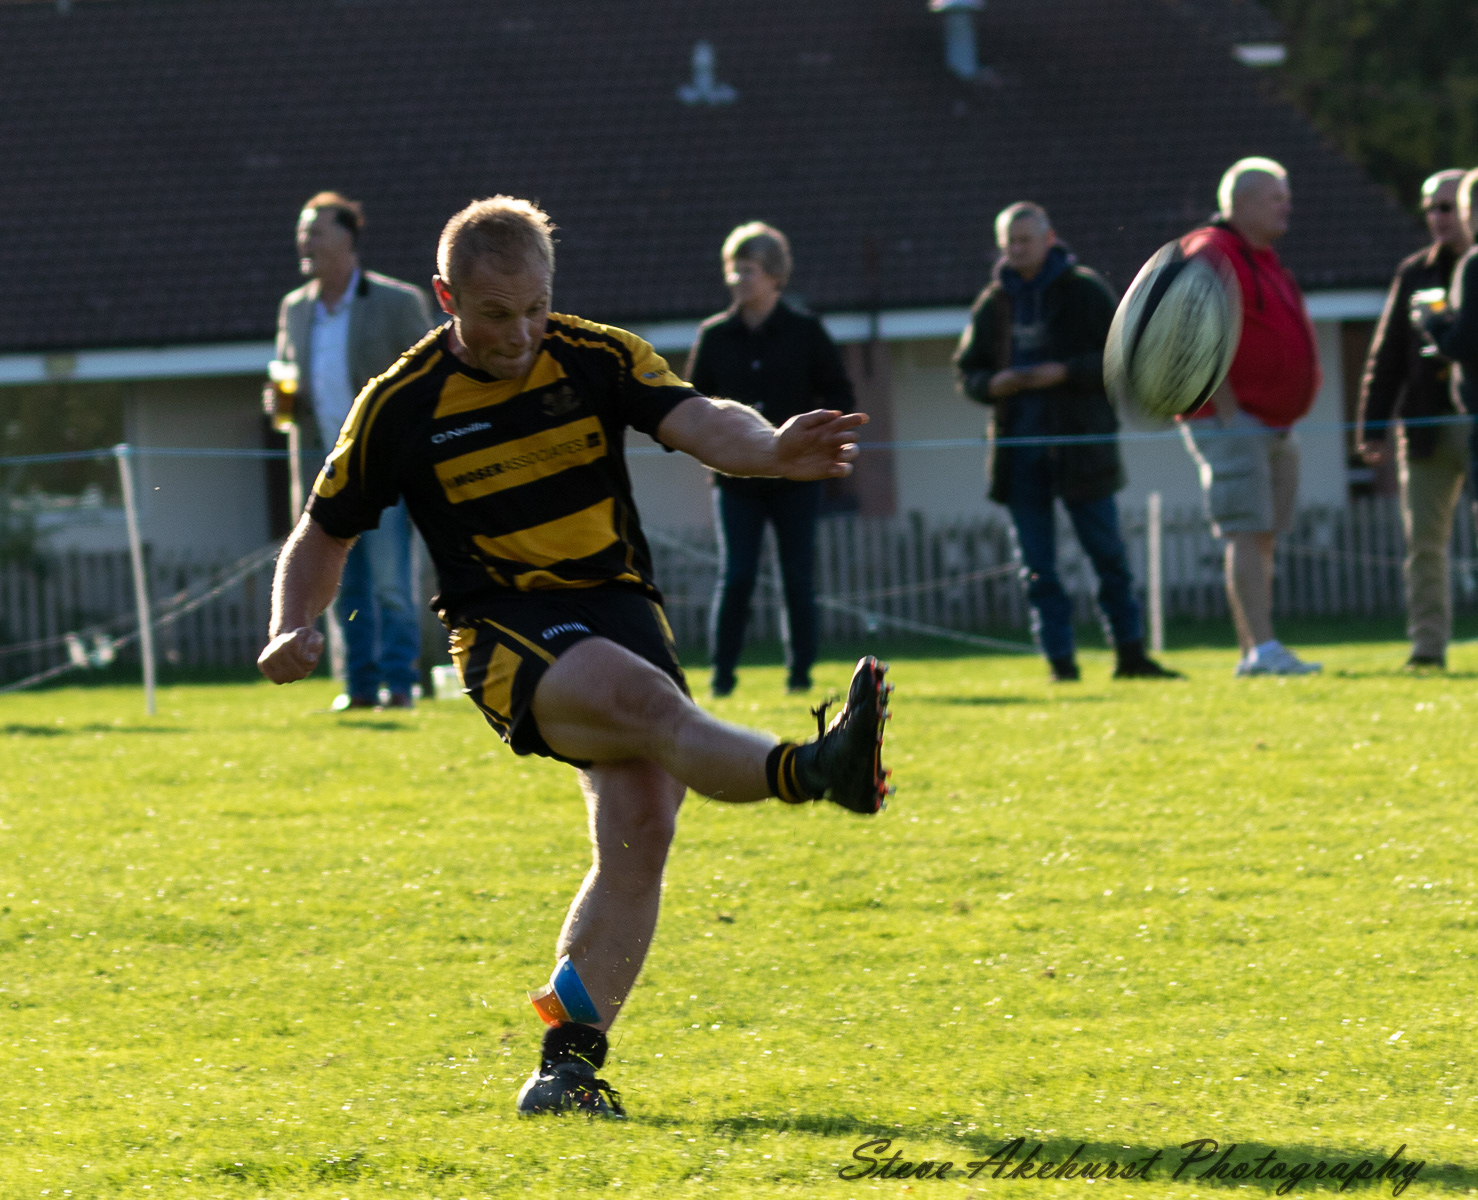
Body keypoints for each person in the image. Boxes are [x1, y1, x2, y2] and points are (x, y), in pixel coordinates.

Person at [256, 196, 892, 1118]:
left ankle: (566, 1068)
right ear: (447, 298)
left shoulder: (594, 354)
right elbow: (322, 531)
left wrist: (769, 448)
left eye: (535, 309)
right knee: (652, 711)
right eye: (495, 314)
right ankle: (814, 769)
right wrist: (290, 622)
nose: (520, 334)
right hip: (506, 627)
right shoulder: (403, 401)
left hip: (620, 605)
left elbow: (698, 415)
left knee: (642, 824)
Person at [954, 202, 1179, 682]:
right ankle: (1061, 666)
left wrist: (1065, 372)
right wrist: (994, 384)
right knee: (1038, 570)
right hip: (1019, 457)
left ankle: (1131, 657)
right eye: (1010, 242)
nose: (1017, 249)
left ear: (1049, 239)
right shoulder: (993, 303)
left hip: (1083, 450)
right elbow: (968, 373)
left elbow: (1123, 357)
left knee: (1109, 559)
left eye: (1025, 240)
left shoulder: (1086, 290)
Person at [265, 192, 434, 709]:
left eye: (315, 231)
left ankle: (400, 686)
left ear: (348, 238)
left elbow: (428, 381)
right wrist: (281, 401)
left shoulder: (397, 302)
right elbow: (287, 383)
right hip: (322, 471)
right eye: (302, 232)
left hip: (384, 470)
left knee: (389, 584)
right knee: (340, 589)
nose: (304, 241)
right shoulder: (295, 308)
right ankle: (359, 687)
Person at [688, 222, 856, 696]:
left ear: (775, 276)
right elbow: (691, 403)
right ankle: (721, 678)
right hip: (735, 480)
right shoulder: (715, 337)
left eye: (749, 270)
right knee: (737, 575)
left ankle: (800, 676)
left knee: (797, 576)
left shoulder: (806, 332)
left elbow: (839, 394)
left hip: (796, 479)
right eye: (733, 270)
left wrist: (824, 441)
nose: (738, 279)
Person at [1178, 158, 1323, 676]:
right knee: (1246, 529)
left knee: (1262, 534)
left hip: (1272, 424)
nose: (1287, 205)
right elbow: (1189, 326)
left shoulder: (1263, 258)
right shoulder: (1211, 251)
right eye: (1275, 197)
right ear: (1240, 203)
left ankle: (1256, 651)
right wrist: (1227, 408)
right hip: (1234, 421)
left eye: (1286, 196)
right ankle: (1263, 649)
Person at [1356, 170, 1472, 672]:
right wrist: (1372, 428)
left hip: (1474, 419)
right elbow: (1386, 358)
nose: (1438, 217)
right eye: (1430, 209)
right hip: (1425, 427)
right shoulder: (1413, 273)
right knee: (1424, 545)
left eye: (1447, 206)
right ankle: (1427, 649)